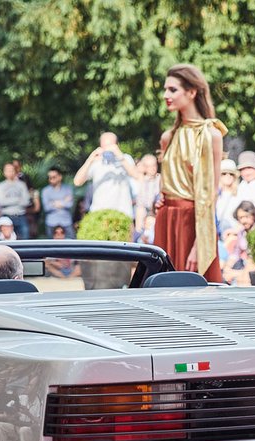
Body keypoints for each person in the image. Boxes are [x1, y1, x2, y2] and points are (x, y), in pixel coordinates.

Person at [153, 64, 226, 281]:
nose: (166, 95)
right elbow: (165, 183)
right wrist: (160, 199)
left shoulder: (212, 134)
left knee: (195, 288)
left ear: (192, 92)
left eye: (172, 90)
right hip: (166, 219)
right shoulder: (168, 137)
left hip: (194, 222)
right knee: (162, 286)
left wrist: (199, 244)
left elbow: (211, 194)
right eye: (165, 89)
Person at [73, 131, 140, 222]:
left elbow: (136, 175)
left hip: (123, 213)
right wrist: (90, 159)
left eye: (110, 145)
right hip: (99, 213)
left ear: (117, 145)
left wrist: (119, 156)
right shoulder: (96, 162)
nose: (107, 149)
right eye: (104, 146)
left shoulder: (125, 159)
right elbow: (77, 182)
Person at [0, 163, 31, 238]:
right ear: (4, 172)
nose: (10, 172)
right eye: (8, 170)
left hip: (21, 216)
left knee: (25, 240)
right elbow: (1, 202)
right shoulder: (0, 186)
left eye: (12, 170)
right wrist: (18, 199)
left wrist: (8, 201)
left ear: (15, 171)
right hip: (6, 216)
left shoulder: (22, 185)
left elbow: (26, 201)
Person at [41, 166, 75, 238]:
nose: (51, 179)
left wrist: (53, 203)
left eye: (54, 177)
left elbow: (70, 204)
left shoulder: (68, 189)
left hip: (66, 222)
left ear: (60, 177)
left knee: (71, 245)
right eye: (50, 177)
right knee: (51, 247)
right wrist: (64, 201)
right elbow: (47, 207)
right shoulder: (45, 191)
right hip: (51, 222)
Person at [215, 159, 242, 234]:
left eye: (231, 174)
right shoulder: (215, 194)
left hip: (234, 234)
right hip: (217, 233)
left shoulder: (240, 193)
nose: (228, 176)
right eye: (224, 173)